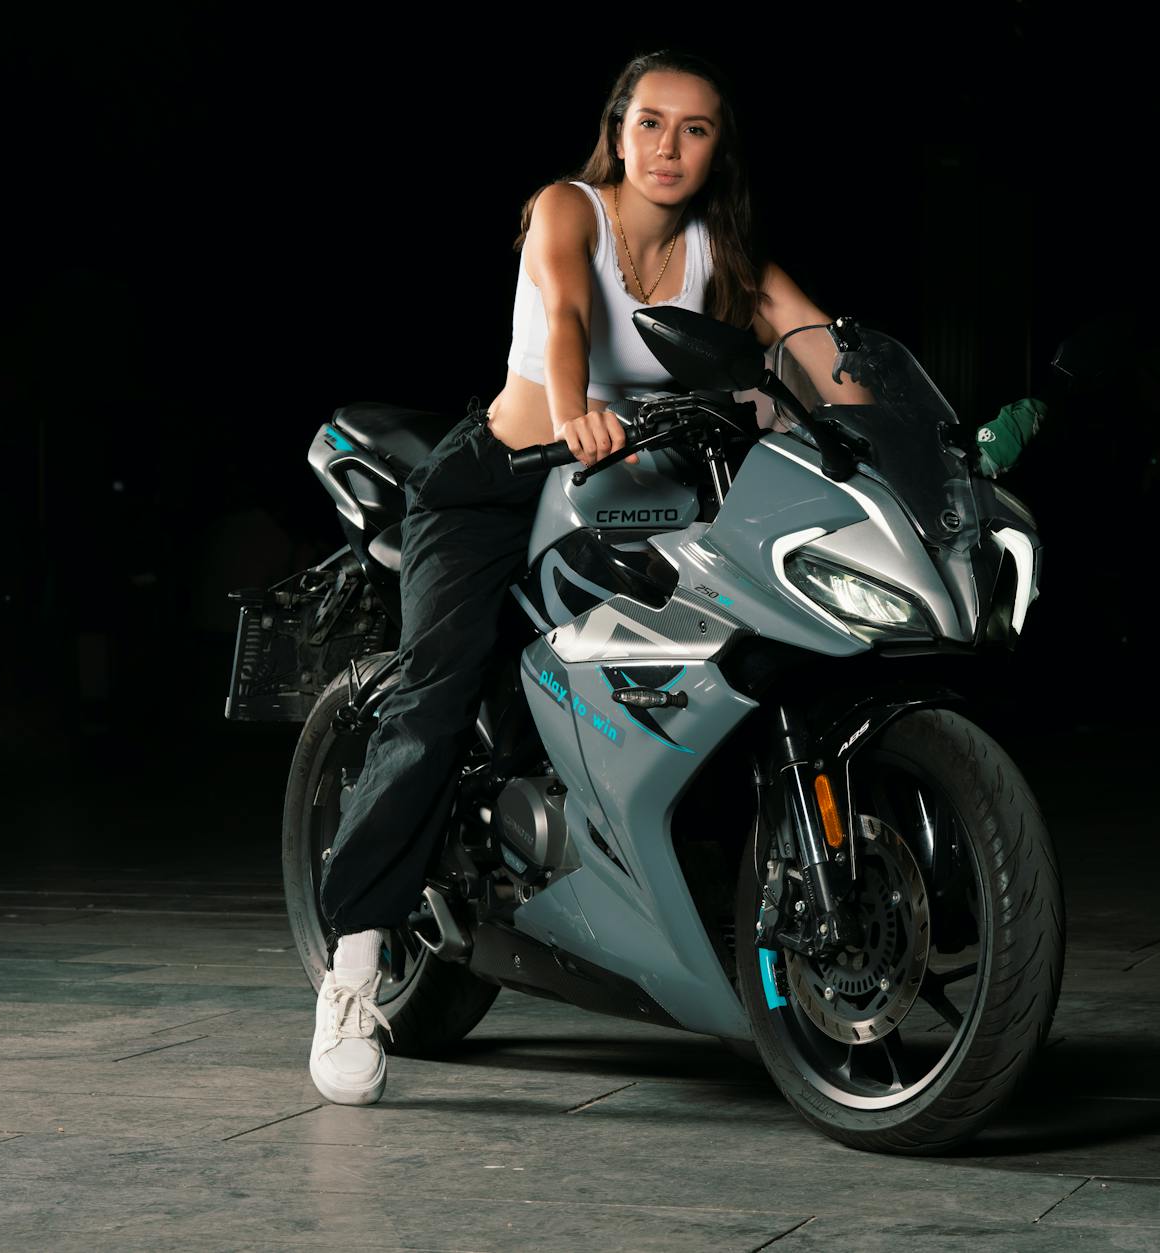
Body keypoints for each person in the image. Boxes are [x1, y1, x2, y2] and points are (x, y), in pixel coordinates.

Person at [307, 49, 841, 1106]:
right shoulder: (569, 210)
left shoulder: (719, 251)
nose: (667, 148)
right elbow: (561, 316)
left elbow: (815, 340)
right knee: (433, 702)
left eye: (693, 130)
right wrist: (574, 410)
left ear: (716, 147)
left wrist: (895, 420)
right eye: (649, 123)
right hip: (500, 482)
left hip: (638, 493)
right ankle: (354, 969)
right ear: (617, 127)